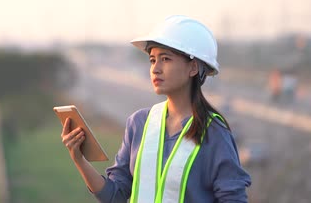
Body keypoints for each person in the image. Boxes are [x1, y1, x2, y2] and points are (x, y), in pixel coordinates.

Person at [61, 15, 251, 202]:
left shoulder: (215, 133)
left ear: (193, 68)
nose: (155, 69)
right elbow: (115, 195)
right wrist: (79, 159)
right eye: (152, 60)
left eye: (165, 59)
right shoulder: (139, 123)